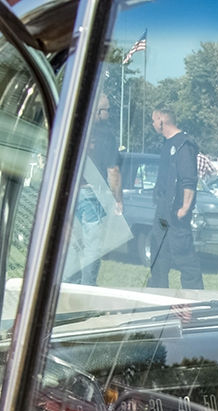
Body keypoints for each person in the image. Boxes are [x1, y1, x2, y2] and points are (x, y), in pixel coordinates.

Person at [145, 107, 204, 292]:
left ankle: (195, 299)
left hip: (176, 211)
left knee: (184, 256)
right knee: (159, 255)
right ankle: (158, 294)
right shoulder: (167, 144)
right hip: (163, 209)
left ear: (162, 121)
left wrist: (185, 207)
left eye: (154, 120)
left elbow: (189, 180)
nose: (153, 124)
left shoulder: (183, 144)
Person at [77, 93, 123, 286]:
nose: (109, 114)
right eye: (107, 110)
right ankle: (87, 289)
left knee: (72, 244)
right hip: (90, 193)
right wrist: (117, 199)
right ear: (97, 112)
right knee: (92, 246)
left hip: (67, 194)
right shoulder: (106, 135)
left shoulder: (74, 129)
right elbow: (113, 170)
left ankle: (67, 286)